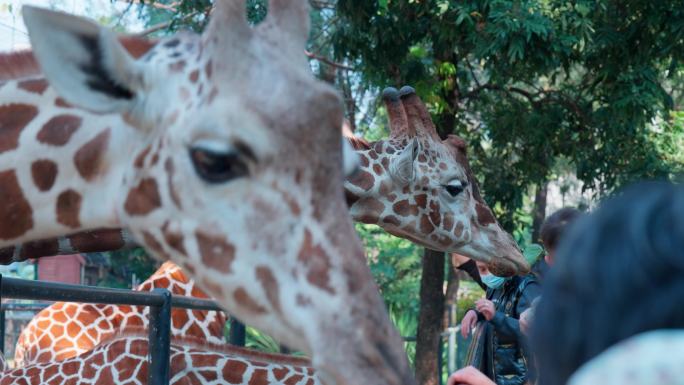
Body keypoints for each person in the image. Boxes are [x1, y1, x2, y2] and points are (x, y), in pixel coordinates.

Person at [449, 181, 684, 385]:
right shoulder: (498, 289)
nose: (483, 273)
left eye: (484, 268)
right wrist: (476, 312)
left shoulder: (543, 299)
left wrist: (497, 319)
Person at [460, 260, 541, 385]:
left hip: (522, 379)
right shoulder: (495, 287)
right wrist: (475, 313)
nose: (484, 276)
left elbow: (532, 333)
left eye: (485, 269)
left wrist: (495, 316)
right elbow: (493, 311)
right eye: (480, 270)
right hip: (496, 375)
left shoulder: (528, 287)